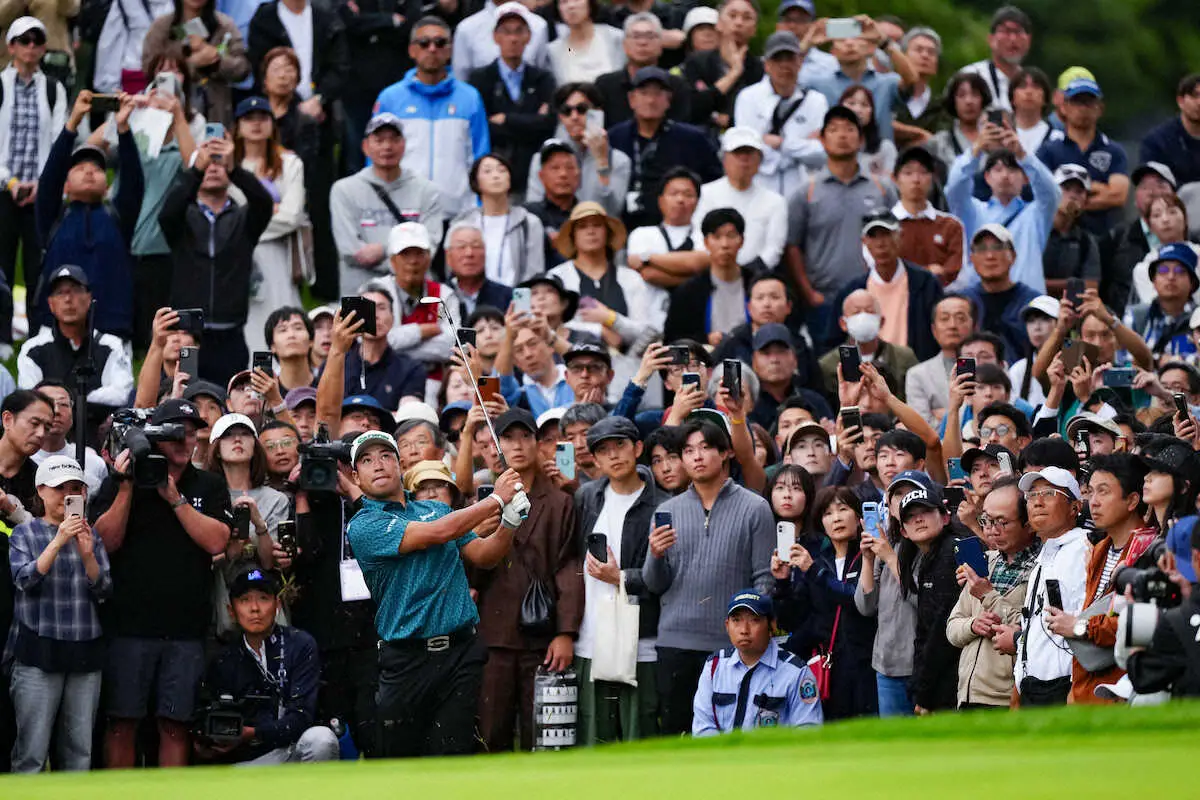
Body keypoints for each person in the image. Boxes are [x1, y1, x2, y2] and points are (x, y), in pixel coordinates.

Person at [345, 429, 530, 757]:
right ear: (356, 477)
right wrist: (496, 500)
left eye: (385, 456)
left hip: (460, 652)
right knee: (401, 762)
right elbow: (436, 534)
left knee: (454, 754)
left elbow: (485, 556)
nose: (378, 465)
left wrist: (509, 524)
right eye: (366, 460)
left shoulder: (437, 509)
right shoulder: (363, 525)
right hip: (406, 658)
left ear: (400, 464)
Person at [91, 398, 232, 767]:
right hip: (127, 627)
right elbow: (102, 543)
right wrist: (125, 487)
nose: (185, 441)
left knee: (175, 725)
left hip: (185, 630)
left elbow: (218, 540)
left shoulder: (210, 484)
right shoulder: (123, 481)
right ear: (154, 437)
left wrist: (174, 498)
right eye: (174, 434)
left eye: (192, 434)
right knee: (122, 723)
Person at [643, 418, 775, 734]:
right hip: (675, 641)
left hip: (731, 645)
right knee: (675, 738)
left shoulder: (755, 508)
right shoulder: (669, 510)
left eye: (705, 448)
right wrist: (655, 554)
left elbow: (764, 580)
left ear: (726, 452)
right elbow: (654, 583)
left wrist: (751, 634)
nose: (697, 457)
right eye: (688, 451)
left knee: (729, 737)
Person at [472, 409, 581, 753]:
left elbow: (568, 567)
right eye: (508, 438)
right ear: (497, 447)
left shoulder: (562, 502)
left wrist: (565, 632)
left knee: (544, 738)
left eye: (525, 437)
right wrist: (478, 532)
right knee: (491, 734)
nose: (518, 446)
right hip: (494, 634)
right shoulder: (484, 502)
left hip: (542, 635)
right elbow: (470, 570)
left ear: (538, 444)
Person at [7, 455, 110, 773]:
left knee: (79, 752)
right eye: (59, 488)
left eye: (76, 488)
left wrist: (88, 554)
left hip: (84, 649)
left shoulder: (90, 535)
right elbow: (25, 580)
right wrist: (59, 540)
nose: (68, 494)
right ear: (41, 491)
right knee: (32, 752)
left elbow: (104, 590)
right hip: (39, 650)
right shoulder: (26, 533)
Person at [573, 415, 666, 743]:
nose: (613, 455)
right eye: (603, 450)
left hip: (642, 642)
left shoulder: (662, 504)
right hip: (591, 638)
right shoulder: (586, 498)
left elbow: (666, 578)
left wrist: (621, 577)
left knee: (640, 737)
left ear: (638, 448)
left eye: (620, 445)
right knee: (594, 740)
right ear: (594, 459)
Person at [247, 0, 348, 299]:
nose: (285, 75)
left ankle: (322, 293)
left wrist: (321, 98)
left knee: (317, 211)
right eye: (277, 69)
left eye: (291, 70)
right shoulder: (266, 17)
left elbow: (340, 66)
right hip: (261, 187)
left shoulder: (326, 16)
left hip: (303, 175)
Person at [158, 134, 273, 385]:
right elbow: (166, 214)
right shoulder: (183, 217)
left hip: (229, 334)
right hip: (187, 333)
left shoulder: (244, 219)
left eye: (219, 163)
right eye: (207, 164)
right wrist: (195, 171)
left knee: (229, 402)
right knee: (184, 400)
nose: (212, 168)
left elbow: (263, 202)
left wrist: (235, 169)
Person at [195, 564, 339, 764]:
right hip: (247, 761)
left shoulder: (300, 644)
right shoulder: (223, 659)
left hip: (290, 751)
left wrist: (252, 732)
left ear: (277, 605)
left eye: (263, 598)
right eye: (244, 600)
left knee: (321, 740)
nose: (255, 609)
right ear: (231, 611)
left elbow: (301, 717)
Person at [784, 106, 897, 354]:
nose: (842, 135)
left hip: (874, 297)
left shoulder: (883, 189)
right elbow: (793, 246)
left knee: (879, 366)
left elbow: (897, 239)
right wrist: (809, 293)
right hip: (825, 299)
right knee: (828, 372)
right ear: (822, 140)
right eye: (834, 130)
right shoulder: (806, 193)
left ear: (861, 138)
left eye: (849, 129)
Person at [34, 91, 144, 341]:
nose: (89, 172)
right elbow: (50, 176)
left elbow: (133, 181)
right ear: (66, 186)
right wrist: (72, 123)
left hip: (112, 328)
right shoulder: (53, 218)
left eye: (96, 169)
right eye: (80, 168)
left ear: (107, 186)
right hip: (54, 329)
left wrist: (123, 128)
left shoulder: (118, 218)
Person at [1049, 454, 1151, 704]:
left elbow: (1139, 626)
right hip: (1087, 689)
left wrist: (1079, 628)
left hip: (1122, 692)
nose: (1093, 502)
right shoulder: (1098, 550)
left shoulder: (1149, 551)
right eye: (1090, 492)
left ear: (1132, 500)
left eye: (1103, 492)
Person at [772, 486, 878, 719]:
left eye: (843, 509)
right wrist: (782, 584)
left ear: (859, 517)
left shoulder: (869, 557)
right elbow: (793, 620)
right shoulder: (820, 561)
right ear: (821, 522)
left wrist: (814, 572)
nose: (836, 518)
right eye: (828, 513)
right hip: (828, 665)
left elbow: (859, 601)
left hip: (866, 665)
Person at [374, 16, 490, 214]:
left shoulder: (470, 97)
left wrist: (479, 206)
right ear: (412, 50)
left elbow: (480, 156)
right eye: (424, 43)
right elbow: (375, 157)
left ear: (450, 50)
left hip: (458, 216)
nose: (432, 49)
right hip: (403, 213)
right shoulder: (390, 98)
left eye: (440, 43)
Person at [548, 201, 667, 387]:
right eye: (582, 227)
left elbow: (645, 332)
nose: (591, 231)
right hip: (572, 375)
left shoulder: (631, 279)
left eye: (597, 225)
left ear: (608, 232)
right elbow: (551, 327)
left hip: (624, 375)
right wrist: (600, 331)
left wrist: (611, 318)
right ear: (573, 236)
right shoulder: (557, 277)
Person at [945, 475, 1039, 709]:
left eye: (1001, 522)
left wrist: (988, 595)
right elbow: (952, 628)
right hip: (967, 695)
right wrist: (973, 625)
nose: (990, 530)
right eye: (986, 520)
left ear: (1028, 524)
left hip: (1007, 700)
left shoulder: (1043, 568)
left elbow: (1034, 632)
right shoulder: (984, 562)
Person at [330, 112, 445, 298]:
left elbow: (430, 246)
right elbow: (350, 250)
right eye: (379, 140)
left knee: (418, 329)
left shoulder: (427, 190)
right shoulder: (344, 190)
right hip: (361, 290)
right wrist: (407, 259)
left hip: (411, 292)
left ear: (404, 145)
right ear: (365, 147)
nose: (387, 146)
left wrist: (383, 250)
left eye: (394, 139)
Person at [0, 17, 66, 340]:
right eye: (23, 40)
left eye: (37, 40)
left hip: (41, 192)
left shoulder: (54, 88)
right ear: (11, 46)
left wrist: (43, 183)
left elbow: (58, 141)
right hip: (4, 190)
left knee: (38, 264)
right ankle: (2, 332)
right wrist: (9, 182)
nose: (30, 47)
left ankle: (39, 333)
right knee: (2, 261)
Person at [233, 96, 308, 355]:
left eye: (262, 118)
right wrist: (266, 213)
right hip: (237, 255)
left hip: (278, 255)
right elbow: (226, 214)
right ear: (238, 125)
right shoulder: (229, 166)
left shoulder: (290, 164)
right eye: (248, 119)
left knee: (280, 318)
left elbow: (291, 216)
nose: (256, 124)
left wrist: (246, 220)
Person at [691, 590, 824, 734]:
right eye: (736, 620)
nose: (744, 630)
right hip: (721, 754)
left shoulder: (796, 672)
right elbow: (703, 729)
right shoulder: (714, 667)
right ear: (727, 626)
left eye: (754, 620)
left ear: (772, 625)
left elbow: (808, 731)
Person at [608, 66, 722, 230]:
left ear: (668, 100)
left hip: (681, 226)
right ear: (631, 99)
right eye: (644, 93)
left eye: (657, 93)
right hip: (625, 226)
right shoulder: (615, 138)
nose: (651, 100)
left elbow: (713, 182)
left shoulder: (693, 139)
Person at [946, 136, 1060, 295]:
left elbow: (1052, 193)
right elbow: (955, 189)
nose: (1005, 176)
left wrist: (1024, 156)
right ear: (987, 177)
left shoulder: (1035, 213)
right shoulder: (973, 211)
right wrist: (975, 152)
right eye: (998, 170)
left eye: (1013, 170)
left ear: (1026, 178)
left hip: (1027, 304)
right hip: (981, 302)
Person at [1013, 467, 1089, 706]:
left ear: (1075, 507)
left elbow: (1086, 622)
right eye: (1032, 495)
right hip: (1032, 686)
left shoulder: (1084, 550)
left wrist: (1078, 688)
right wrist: (1018, 686)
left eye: (1048, 493)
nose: (1037, 502)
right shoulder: (1043, 557)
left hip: (1066, 686)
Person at [17, 265, 135, 415]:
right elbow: (31, 399)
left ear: (89, 298)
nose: (68, 299)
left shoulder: (111, 345)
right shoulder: (33, 349)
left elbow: (121, 394)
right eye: (60, 293)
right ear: (51, 304)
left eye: (75, 290)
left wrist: (69, 399)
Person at [466, 3, 556, 197]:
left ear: (529, 37)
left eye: (519, 31)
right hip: (496, 170)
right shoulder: (481, 78)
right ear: (496, 37)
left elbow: (547, 124)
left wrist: (507, 119)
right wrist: (530, 121)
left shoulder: (542, 79)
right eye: (506, 32)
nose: (513, 39)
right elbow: (483, 126)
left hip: (533, 170)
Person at [829, 211, 943, 360]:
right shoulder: (852, 290)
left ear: (900, 236)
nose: (881, 243)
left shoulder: (926, 283)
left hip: (914, 369)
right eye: (873, 236)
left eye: (887, 234)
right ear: (864, 242)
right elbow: (833, 339)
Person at [731, 30, 828, 199]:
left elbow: (821, 153)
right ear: (766, 64)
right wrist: (801, 147)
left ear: (800, 62)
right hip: (758, 188)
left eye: (790, 59)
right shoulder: (748, 98)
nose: (784, 66)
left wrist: (782, 144)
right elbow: (748, 150)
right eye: (777, 59)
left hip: (803, 192)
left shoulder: (816, 101)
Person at [894, 484, 962, 713]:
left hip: (955, 687)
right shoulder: (927, 558)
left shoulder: (953, 551)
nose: (918, 520)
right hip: (942, 685)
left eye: (925, 512)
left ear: (944, 517)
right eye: (910, 517)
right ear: (903, 531)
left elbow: (941, 633)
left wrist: (923, 693)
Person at [524, 85, 632, 220]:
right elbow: (533, 211)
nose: (574, 117)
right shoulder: (542, 158)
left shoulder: (619, 160)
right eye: (566, 111)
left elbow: (611, 211)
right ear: (560, 117)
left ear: (598, 113)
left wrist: (602, 162)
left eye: (582, 109)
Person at [1036, 78, 1129, 236]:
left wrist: (1069, 200)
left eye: (1089, 102)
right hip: (1056, 237)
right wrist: (1098, 188)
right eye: (1077, 102)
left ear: (1100, 108)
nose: (1083, 108)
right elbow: (1041, 193)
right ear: (1064, 107)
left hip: (1103, 236)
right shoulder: (1048, 149)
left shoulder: (1114, 151)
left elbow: (1118, 195)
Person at [806, 15, 916, 143]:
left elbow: (911, 79)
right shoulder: (817, 84)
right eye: (841, 39)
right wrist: (806, 44)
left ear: (870, 48)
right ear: (833, 51)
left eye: (856, 38)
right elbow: (782, 84)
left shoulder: (887, 83)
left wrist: (883, 42)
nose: (849, 43)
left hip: (878, 159)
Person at [368, 221, 458, 378]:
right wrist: (422, 331)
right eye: (405, 254)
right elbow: (369, 341)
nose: (413, 261)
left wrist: (395, 348)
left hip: (432, 385)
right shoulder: (375, 291)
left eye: (419, 253)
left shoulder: (444, 296)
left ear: (429, 258)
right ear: (392, 260)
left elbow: (452, 345)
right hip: (381, 380)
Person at [141, 0, 250, 127]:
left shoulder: (224, 25)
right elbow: (148, 66)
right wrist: (189, 64)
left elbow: (242, 69)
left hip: (215, 111)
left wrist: (217, 59)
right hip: (170, 111)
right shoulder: (163, 26)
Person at [691, 128, 787, 271]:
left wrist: (745, 274)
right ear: (724, 159)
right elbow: (697, 236)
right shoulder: (704, 194)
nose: (744, 160)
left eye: (749, 154)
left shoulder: (776, 201)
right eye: (737, 153)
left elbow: (774, 249)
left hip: (755, 279)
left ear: (760, 160)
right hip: (711, 272)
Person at [453, 154, 546, 287]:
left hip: (515, 302)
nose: (496, 176)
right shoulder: (462, 223)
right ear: (476, 181)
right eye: (487, 171)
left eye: (502, 170)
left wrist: (521, 305)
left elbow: (534, 274)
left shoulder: (529, 223)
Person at [663, 207, 751, 344]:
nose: (725, 244)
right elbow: (673, 339)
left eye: (731, 236)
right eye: (717, 237)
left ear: (742, 240)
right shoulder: (689, 291)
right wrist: (704, 340)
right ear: (706, 242)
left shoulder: (755, 284)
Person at [1103, 162, 1178, 315]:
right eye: (1144, 187)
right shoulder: (1115, 238)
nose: (1152, 192)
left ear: (1176, 198)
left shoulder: (1193, 244)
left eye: (1161, 185)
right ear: (1135, 199)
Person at [819, 289, 919, 401]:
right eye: (856, 312)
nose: (863, 317)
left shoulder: (904, 357)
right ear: (843, 323)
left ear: (881, 321)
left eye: (869, 311)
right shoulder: (828, 365)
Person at [594, 13, 691, 128]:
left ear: (661, 45)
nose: (642, 42)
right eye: (636, 36)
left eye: (650, 36)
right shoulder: (605, 85)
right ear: (624, 45)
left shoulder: (676, 85)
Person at [961, 224, 1042, 360]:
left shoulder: (1034, 302)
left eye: (998, 248)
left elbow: (1048, 349)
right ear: (971, 259)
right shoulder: (961, 302)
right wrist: (964, 379)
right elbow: (955, 349)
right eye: (981, 249)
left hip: (1024, 377)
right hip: (969, 376)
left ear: (1013, 256)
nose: (990, 256)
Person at [681, 0, 761, 135]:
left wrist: (728, 119)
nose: (739, 23)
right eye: (732, 15)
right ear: (718, 23)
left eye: (747, 18)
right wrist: (734, 73)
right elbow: (693, 108)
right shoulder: (697, 62)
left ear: (754, 29)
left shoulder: (759, 69)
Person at [623, 166, 709, 290]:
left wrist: (647, 257)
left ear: (697, 201)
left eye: (688, 194)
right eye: (674, 193)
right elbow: (649, 275)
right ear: (661, 200)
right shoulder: (642, 234)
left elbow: (696, 263)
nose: (680, 199)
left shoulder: (706, 235)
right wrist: (697, 278)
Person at [892, 146, 964, 287]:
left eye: (923, 172)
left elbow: (958, 275)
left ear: (932, 179)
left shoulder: (950, 225)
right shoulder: (883, 226)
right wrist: (927, 272)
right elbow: (881, 272)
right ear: (895, 179)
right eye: (908, 173)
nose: (916, 179)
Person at [905, 294, 975, 427]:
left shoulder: (990, 367)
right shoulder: (918, 375)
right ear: (934, 329)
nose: (952, 325)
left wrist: (946, 415)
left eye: (960, 318)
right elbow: (922, 428)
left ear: (974, 325)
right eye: (944, 319)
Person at [29, 380, 110, 493]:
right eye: (48, 403)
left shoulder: (94, 463)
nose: (56, 411)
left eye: (63, 404)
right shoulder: (22, 461)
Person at [1124, 243, 1199, 361]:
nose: (1171, 277)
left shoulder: (1198, 318)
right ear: (1153, 281)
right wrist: (1159, 360)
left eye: (1180, 270)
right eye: (1163, 270)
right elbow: (1124, 360)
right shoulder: (1137, 316)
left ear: (1192, 283)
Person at [452, 0, 550, 83]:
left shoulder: (539, 25)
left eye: (519, 31)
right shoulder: (466, 29)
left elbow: (541, 74)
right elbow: (461, 81)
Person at [959, 5, 1032, 113]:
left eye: (1018, 32)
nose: (1013, 39)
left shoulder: (1032, 84)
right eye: (1006, 31)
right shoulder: (971, 75)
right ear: (990, 39)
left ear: (1029, 40)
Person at [1043, 165, 1101, 299]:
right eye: (1066, 189)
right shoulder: (1034, 231)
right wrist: (1073, 284)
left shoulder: (1086, 241)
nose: (1073, 196)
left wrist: (1045, 283)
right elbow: (1023, 279)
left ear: (1086, 200)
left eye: (1079, 191)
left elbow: (1091, 287)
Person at [1139, 73, 1200, 189]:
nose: (1199, 102)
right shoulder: (1157, 141)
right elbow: (1151, 186)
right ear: (1180, 101)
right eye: (1194, 96)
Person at [891, 27, 948, 145]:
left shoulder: (942, 107)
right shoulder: (888, 94)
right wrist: (919, 134)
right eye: (918, 50)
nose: (925, 56)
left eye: (931, 52)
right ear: (903, 56)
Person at [547, 0, 624, 85]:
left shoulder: (616, 38)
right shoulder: (553, 50)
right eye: (564, 2)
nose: (571, 6)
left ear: (590, 3)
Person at [446, 223, 514, 316]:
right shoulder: (439, 296)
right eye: (461, 246)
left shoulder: (508, 297)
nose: (469, 253)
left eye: (476, 246)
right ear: (448, 256)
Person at [840, 84, 897, 180]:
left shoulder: (884, 148)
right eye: (851, 103)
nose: (857, 110)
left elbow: (889, 185)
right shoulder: (826, 147)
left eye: (864, 105)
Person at [1009, 67, 1053, 157]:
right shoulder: (1001, 134)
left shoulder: (1056, 137)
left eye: (1036, 87)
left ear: (1045, 98)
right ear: (1012, 98)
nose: (1029, 92)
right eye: (1022, 86)